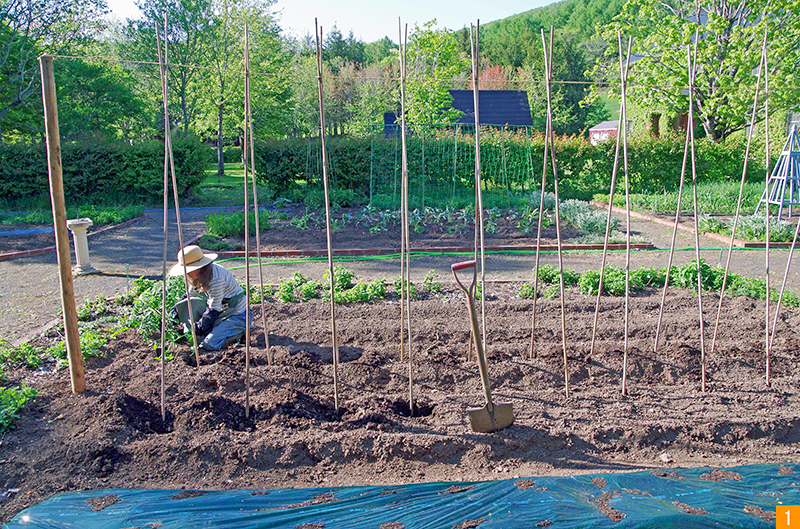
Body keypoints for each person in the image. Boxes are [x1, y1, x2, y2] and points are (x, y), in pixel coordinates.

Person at [169, 245, 248, 351]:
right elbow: (190, 295)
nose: (187, 273)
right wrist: (174, 311)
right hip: (222, 310)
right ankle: (214, 329)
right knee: (189, 303)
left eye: (189, 270)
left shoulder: (216, 279)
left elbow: (214, 309)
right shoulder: (197, 275)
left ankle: (238, 333)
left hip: (237, 314)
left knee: (209, 343)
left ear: (199, 266)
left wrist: (199, 328)